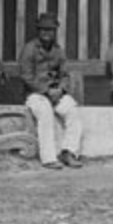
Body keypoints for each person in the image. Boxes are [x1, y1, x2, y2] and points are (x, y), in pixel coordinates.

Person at [18, 12, 83, 170]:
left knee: (73, 110)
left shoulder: (58, 50)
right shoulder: (29, 49)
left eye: (50, 30)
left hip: (56, 93)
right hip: (36, 94)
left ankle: (69, 152)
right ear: (38, 31)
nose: (47, 33)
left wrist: (60, 90)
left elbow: (65, 74)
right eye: (43, 30)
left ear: (55, 32)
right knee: (45, 112)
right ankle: (48, 158)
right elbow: (27, 77)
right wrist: (46, 91)